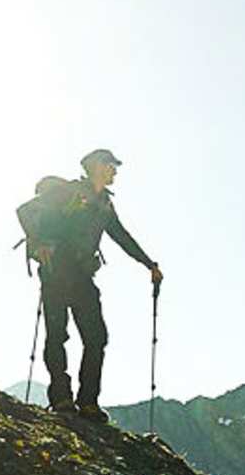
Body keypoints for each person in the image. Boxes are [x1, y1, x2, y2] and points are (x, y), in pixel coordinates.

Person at [31, 149, 163, 423]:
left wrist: (149, 264)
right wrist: (40, 242)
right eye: (111, 165)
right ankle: (62, 399)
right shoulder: (68, 191)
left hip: (81, 276)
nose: (115, 170)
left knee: (96, 337)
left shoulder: (104, 204)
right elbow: (26, 211)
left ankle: (88, 401)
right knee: (57, 334)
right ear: (95, 166)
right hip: (57, 271)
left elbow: (121, 236)